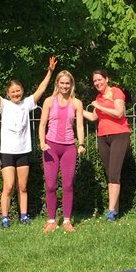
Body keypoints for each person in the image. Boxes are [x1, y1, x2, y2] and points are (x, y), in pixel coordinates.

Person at [0, 56, 55, 228]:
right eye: (13, 92)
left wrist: (50, 71)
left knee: (22, 186)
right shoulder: (4, 105)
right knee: (8, 186)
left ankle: (23, 216)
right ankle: (5, 217)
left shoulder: (27, 103)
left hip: (23, 151)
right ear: (8, 94)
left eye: (18, 91)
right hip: (8, 152)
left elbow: (41, 88)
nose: (16, 94)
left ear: (22, 91)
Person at [38, 70, 87, 232]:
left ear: (71, 85)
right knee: (50, 185)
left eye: (67, 83)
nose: (65, 86)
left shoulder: (77, 103)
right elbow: (42, 125)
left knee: (67, 185)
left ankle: (66, 220)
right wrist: (42, 143)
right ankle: (51, 220)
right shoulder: (49, 101)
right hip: (50, 147)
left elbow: (80, 126)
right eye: (62, 83)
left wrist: (81, 144)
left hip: (68, 148)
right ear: (57, 84)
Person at [82, 69, 130, 221]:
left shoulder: (116, 92)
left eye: (99, 79)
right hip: (103, 137)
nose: (97, 83)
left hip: (119, 135)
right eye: (95, 81)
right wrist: (77, 108)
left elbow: (119, 113)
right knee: (110, 174)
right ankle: (115, 210)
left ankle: (110, 211)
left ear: (106, 79)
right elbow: (93, 117)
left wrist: (99, 106)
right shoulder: (99, 98)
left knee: (114, 173)